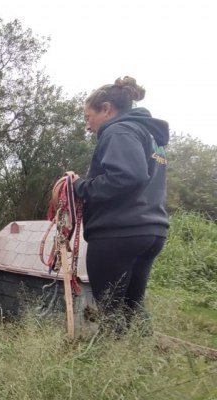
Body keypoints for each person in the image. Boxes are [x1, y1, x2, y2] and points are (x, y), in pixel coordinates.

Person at [68, 76, 169, 334]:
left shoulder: (118, 130)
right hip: (151, 229)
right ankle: (139, 360)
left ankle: (108, 366)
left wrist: (80, 186)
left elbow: (128, 177)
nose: (87, 125)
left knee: (110, 310)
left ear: (106, 109)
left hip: (118, 232)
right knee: (132, 307)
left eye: (88, 117)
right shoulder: (148, 134)